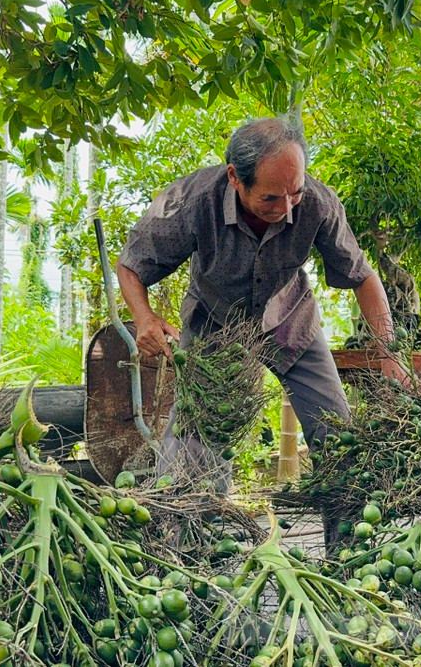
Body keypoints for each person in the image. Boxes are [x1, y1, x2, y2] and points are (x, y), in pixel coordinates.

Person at [116, 117, 406, 491]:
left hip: (290, 320)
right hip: (215, 325)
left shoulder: (318, 204)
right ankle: (193, 538)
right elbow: (130, 264)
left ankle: (346, 546)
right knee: (195, 443)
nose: (286, 209)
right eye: (270, 197)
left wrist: (389, 351)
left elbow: (364, 278)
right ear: (236, 177)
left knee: (338, 436)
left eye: (295, 193)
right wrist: (145, 318)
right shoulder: (192, 200)